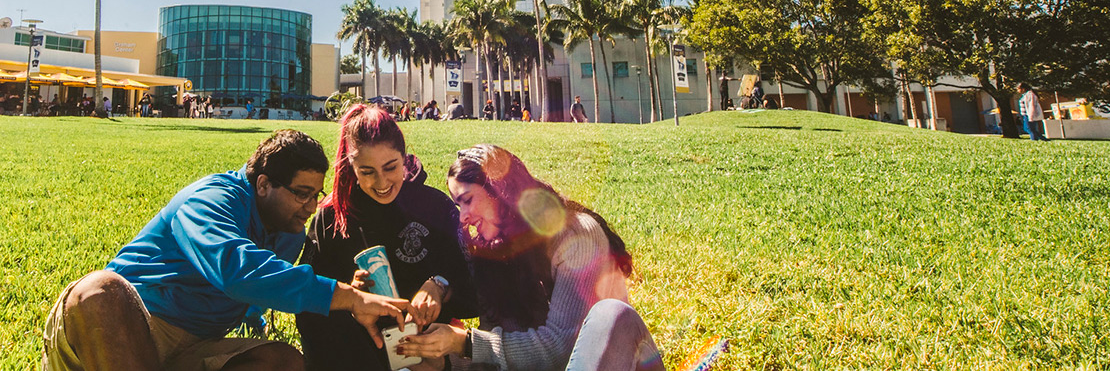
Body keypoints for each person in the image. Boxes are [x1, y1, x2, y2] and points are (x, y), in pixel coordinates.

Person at [41, 130, 411, 371]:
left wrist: (256, 315)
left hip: (192, 350)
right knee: (100, 290)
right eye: (301, 193)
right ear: (263, 184)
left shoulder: (289, 232)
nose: (311, 207)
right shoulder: (210, 200)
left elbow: (262, 286)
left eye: (316, 194)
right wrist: (345, 297)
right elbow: (237, 270)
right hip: (121, 334)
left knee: (282, 363)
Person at [396, 145, 665, 371]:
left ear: (500, 192)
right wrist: (444, 362)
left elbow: (563, 347)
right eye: (458, 205)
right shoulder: (492, 256)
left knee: (612, 314)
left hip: (618, 360)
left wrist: (464, 343)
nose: (463, 216)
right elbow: (503, 354)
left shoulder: (575, 234)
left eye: (468, 200)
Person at [297, 105, 477, 371]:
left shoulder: (435, 207)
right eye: (367, 172)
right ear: (351, 167)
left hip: (429, 358)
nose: (381, 183)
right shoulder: (332, 216)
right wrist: (348, 295)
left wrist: (440, 287)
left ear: (404, 159)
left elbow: (475, 291)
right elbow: (309, 305)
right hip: (359, 355)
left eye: (390, 167)